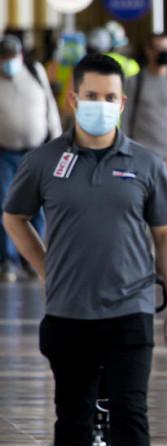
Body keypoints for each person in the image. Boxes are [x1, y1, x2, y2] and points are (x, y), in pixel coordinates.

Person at [2, 53, 167, 446]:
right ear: (73, 99)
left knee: (130, 414)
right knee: (72, 419)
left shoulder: (145, 164)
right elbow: (14, 218)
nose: (100, 105)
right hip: (68, 313)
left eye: (110, 97)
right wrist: (45, 265)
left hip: (130, 309)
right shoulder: (45, 161)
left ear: (122, 104)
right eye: (91, 96)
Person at [0, 34, 62, 282]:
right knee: (6, 206)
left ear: (21, 56)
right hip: (5, 153)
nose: (9, 62)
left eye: (12, 57)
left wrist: (57, 140)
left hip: (37, 151)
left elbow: (49, 104)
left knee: (38, 206)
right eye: (4, 58)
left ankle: (34, 259)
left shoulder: (35, 71)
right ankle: (9, 260)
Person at [122, 33, 167, 159]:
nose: (164, 52)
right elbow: (126, 116)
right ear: (148, 50)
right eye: (158, 48)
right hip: (142, 153)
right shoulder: (135, 82)